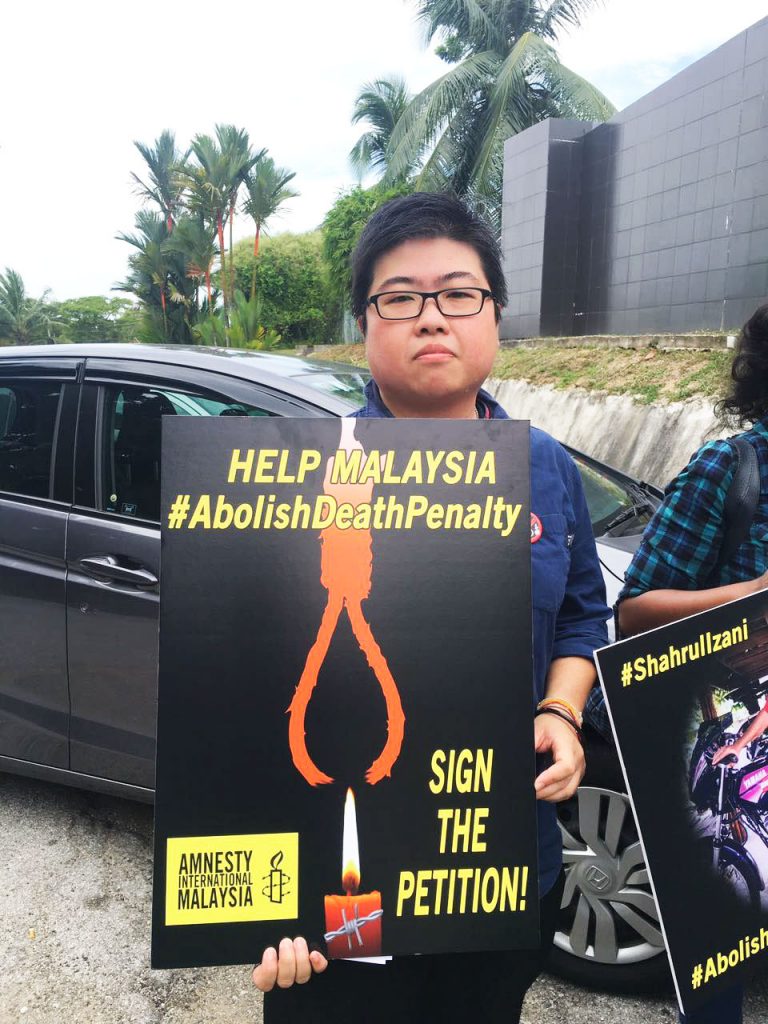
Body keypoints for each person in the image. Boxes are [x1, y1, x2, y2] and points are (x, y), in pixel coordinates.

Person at [251, 192, 610, 1023]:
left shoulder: (547, 469)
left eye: (458, 293)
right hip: (340, 868)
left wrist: (561, 708)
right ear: (366, 325)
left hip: (497, 864)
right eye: (400, 298)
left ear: (493, 314)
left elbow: (584, 617)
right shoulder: (299, 476)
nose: (431, 319)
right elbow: (242, 658)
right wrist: (258, 905)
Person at [617, 304, 768, 1024]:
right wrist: (752, 596)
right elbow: (635, 610)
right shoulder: (730, 469)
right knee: (718, 967)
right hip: (735, 761)